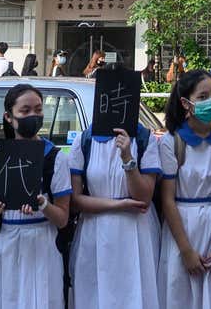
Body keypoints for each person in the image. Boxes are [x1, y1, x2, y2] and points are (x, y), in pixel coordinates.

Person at [70, 65, 162, 308]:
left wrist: (127, 159)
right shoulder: (85, 140)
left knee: (134, 292)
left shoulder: (145, 139)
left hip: (136, 232)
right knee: (95, 293)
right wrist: (118, 204)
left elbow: (144, 196)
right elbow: (76, 200)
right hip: (95, 230)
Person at [0, 85, 71, 307]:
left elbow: (63, 219)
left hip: (43, 246)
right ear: (9, 117)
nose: (33, 116)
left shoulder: (56, 159)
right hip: (5, 244)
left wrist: (43, 204)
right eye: (25, 110)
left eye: (38, 110)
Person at [156, 70, 211, 309]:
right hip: (183, 227)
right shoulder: (173, 141)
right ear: (186, 103)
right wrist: (186, 251)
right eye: (203, 97)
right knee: (180, 295)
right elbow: (167, 200)